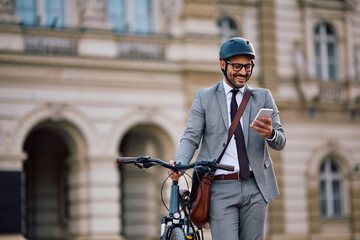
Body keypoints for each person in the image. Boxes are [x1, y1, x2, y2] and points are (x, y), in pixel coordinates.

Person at [168, 37, 286, 240]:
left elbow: (280, 140)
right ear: (223, 64)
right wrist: (179, 164)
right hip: (220, 187)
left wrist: (271, 135)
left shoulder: (263, 97)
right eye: (237, 66)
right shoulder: (204, 98)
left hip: (256, 186)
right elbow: (191, 136)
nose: (243, 72)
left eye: (248, 67)